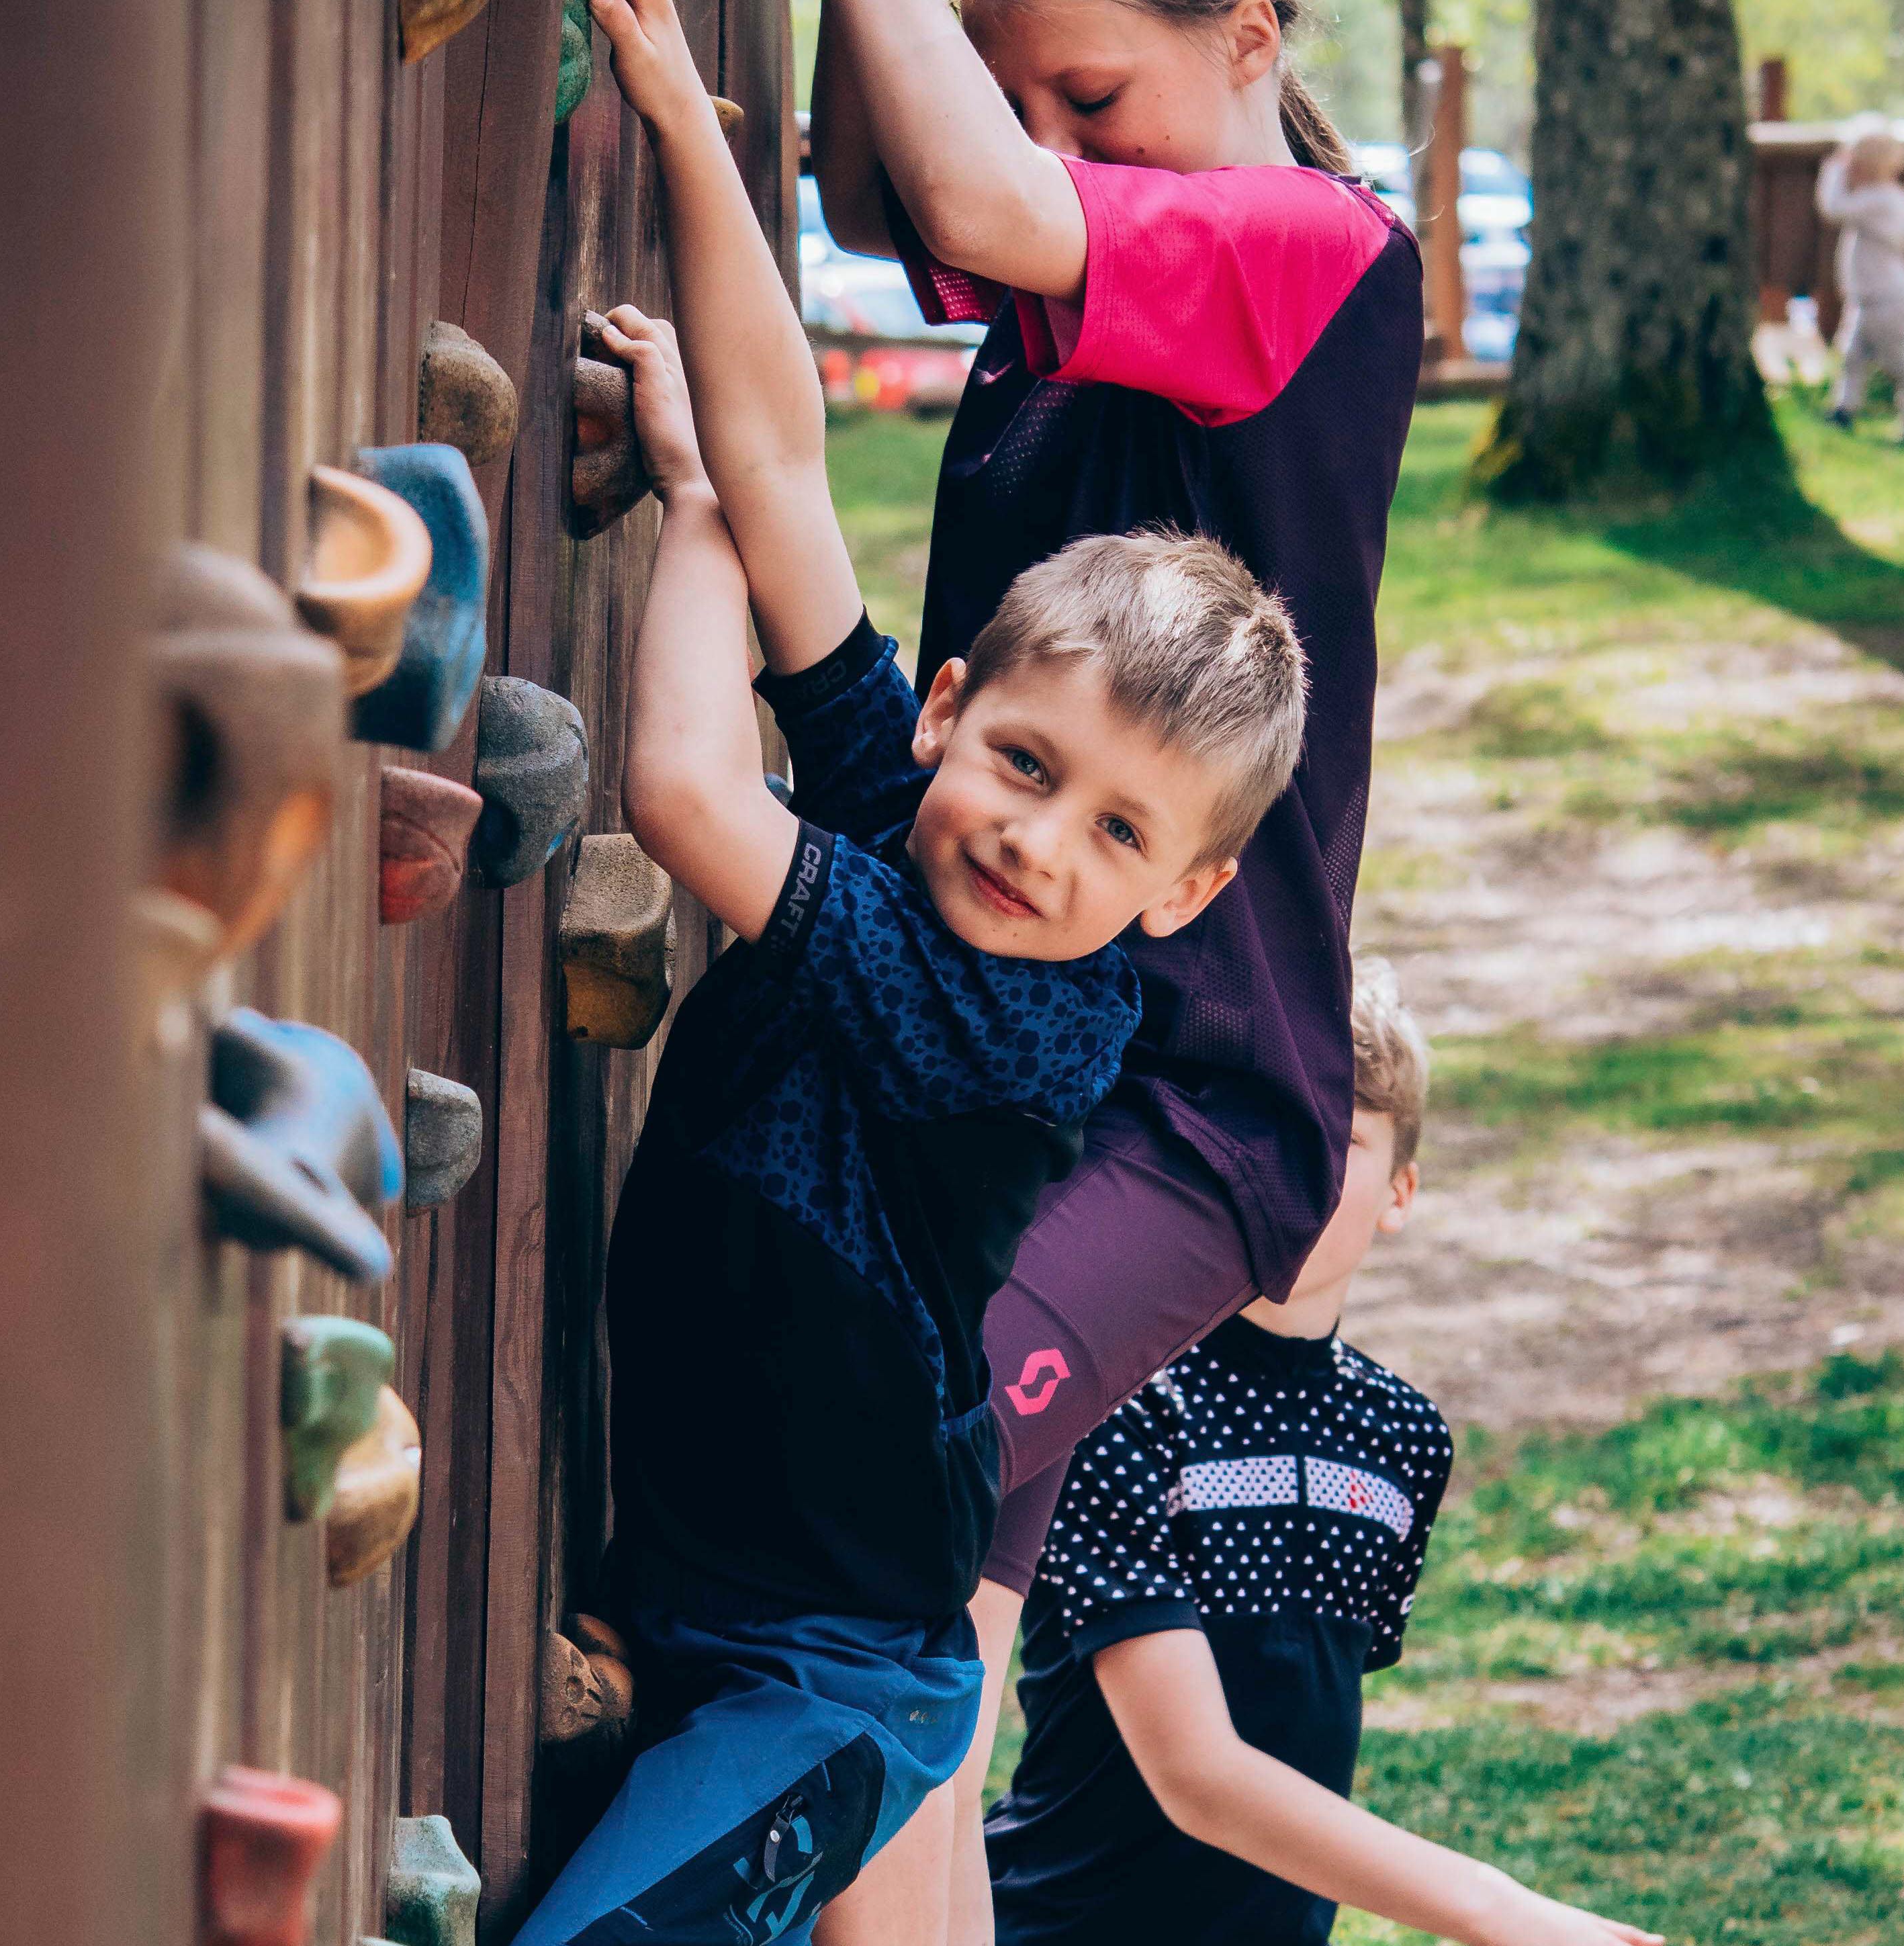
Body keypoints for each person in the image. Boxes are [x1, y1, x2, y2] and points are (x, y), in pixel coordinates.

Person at [508, 0, 1312, 1935]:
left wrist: (692, 507)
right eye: (1026, 767)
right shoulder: (912, 809)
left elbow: (693, 791)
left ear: (1184, 898)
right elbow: (795, 469)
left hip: (826, 1676)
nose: (1039, 842)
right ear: (949, 709)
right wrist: (692, 141)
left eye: (1119, 833)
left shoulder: (1010, 1018)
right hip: (708, 1585)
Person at [806, 3, 1424, 1935]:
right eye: (1018, 94)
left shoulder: (1318, 251)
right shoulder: (1087, 245)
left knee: (908, 1511)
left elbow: (973, 200)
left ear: (1252, 32)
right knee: (933, 1579)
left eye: (1087, 96)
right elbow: (867, 180)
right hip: (1010, 1033)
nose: (1051, 139)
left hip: (1184, 1096)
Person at [985, 959, 1661, 1946]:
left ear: (1400, 1191)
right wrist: (1498, 1910)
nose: (1301, 1177)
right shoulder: (1117, 1402)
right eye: (1277, 1136)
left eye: (1339, 1144)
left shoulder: (1404, 1437)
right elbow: (1196, 1774)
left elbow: (1303, 1726)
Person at [1817, 125, 1904, 445]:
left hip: (1888, 299)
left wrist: (1832, 170)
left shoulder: (1878, 199)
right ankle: (1844, 408)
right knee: (1852, 356)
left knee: (1901, 362)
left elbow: (1832, 208)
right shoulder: (1898, 197)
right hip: (1870, 298)